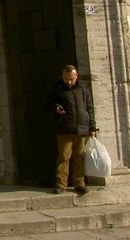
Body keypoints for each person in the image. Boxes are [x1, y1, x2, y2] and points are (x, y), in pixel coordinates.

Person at [49, 64, 97, 195]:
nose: (69, 82)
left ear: (77, 77)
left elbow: (89, 109)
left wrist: (92, 127)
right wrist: (56, 108)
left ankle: (79, 183)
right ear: (62, 77)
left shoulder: (83, 90)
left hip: (82, 129)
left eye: (71, 79)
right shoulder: (57, 89)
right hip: (65, 128)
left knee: (79, 157)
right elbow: (49, 104)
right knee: (64, 157)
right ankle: (60, 184)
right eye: (66, 79)